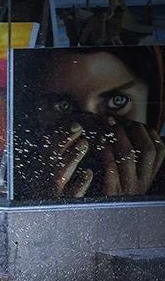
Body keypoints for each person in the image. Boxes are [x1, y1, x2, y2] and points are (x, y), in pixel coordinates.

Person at [13, 46, 165, 200]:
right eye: (63, 106)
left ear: (154, 105)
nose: (90, 129)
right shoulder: (11, 178)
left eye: (117, 101)